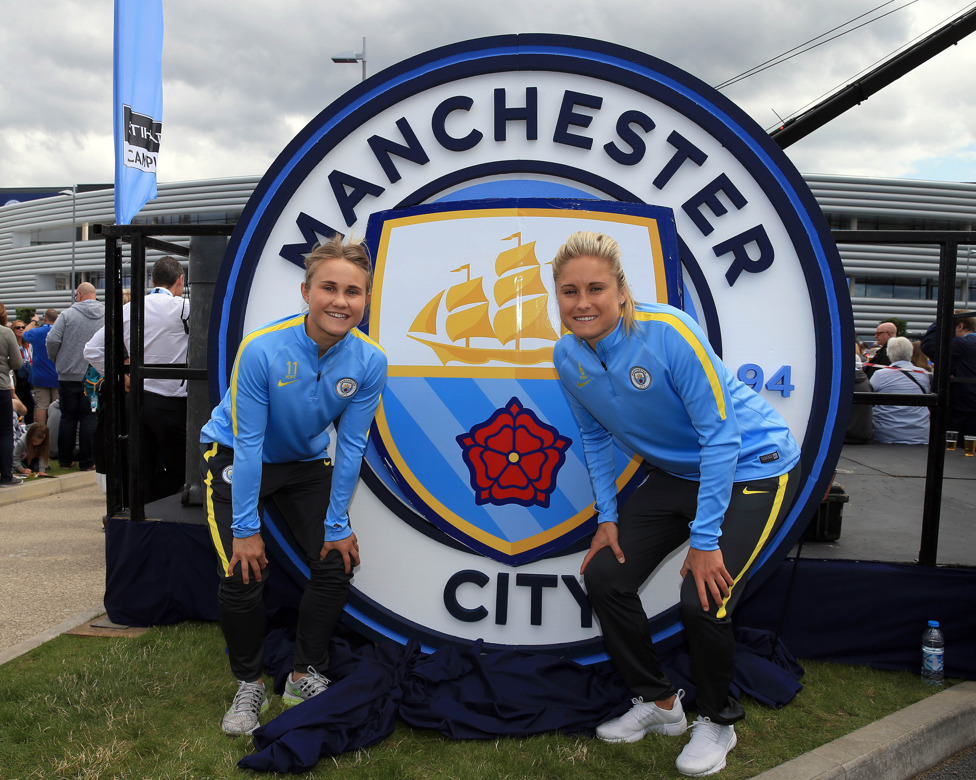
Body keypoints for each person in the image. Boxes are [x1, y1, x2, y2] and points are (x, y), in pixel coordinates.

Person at [550, 231, 801, 777]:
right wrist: (607, 519)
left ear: (622, 291)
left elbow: (722, 437)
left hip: (751, 464)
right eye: (569, 291)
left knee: (702, 597)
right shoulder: (567, 355)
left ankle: (718, 719)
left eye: (596, 288)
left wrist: (705, 540)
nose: (583, 302)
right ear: (558, 297)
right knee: (606, 578)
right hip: (681, 472)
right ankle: (662, 703)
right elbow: (594, 439)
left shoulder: (668, 332)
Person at [199, 235, 387, 737]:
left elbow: (349, 447)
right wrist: (245, 528)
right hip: (238, 455)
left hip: (304, 462)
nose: (340, 301)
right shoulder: (261, 349)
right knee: (243, 571)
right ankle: (248, 682)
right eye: (329, 287)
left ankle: (304, 672)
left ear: (366, 300)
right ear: (306, 291)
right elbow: (251, 442)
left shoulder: (370, 361)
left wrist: (336, 523)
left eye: (353, 292)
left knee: (335, 559)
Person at [85, 257, 190, 501]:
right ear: (180, 280)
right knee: (183, 467)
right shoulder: (185, 307)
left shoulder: (129, 308)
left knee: (141, 466)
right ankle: (160, 506)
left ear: (152, 280)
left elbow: (92, 350)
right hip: (174, 400)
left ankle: (142, 517)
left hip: (139, 399)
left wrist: (122, 377)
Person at [46, 283, 104, 470]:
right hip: (94, 377)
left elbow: (52, 340)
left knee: (68, 417)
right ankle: (88, 461)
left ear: (79, 294)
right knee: (89, 417)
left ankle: (65, 460)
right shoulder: (107, 314)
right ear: (94, 295)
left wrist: (58, 361)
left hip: (68, 375)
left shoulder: (67, 315)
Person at [921, 311, 976, 442]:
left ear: (960, 326)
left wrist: (940, 321)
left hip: (963, 411)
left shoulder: (964, 344)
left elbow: (930, 346)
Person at [868, 337, 931, 445]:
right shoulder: (924, 374)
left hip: (886, 434)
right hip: (920, 434)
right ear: (910, 353)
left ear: (889, 354)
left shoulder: (880, 375)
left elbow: (867, 398)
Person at [1, 304, 25, 487]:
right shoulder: (6, 333)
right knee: (5, 432)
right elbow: (17, 362)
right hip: (1, 385)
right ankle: (6, 474)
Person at [22, 309, 59, 425]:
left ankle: (40, 433)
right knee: (57, 406)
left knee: (41, 406)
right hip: (57, 376)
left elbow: (24, 333)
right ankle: (54, 433)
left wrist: (33, 321)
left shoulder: (36, 332)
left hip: (40, 376)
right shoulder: (60, 332)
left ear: (45, 318)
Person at [10, 320, 34, 424]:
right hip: (17, 379)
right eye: (17, 327)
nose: (21, 329)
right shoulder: (12, 344)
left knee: (30, 405)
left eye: (23, 327)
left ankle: (28, 428)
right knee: (19, 406)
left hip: (27, 380)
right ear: (12, 330)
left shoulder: (27, 345)